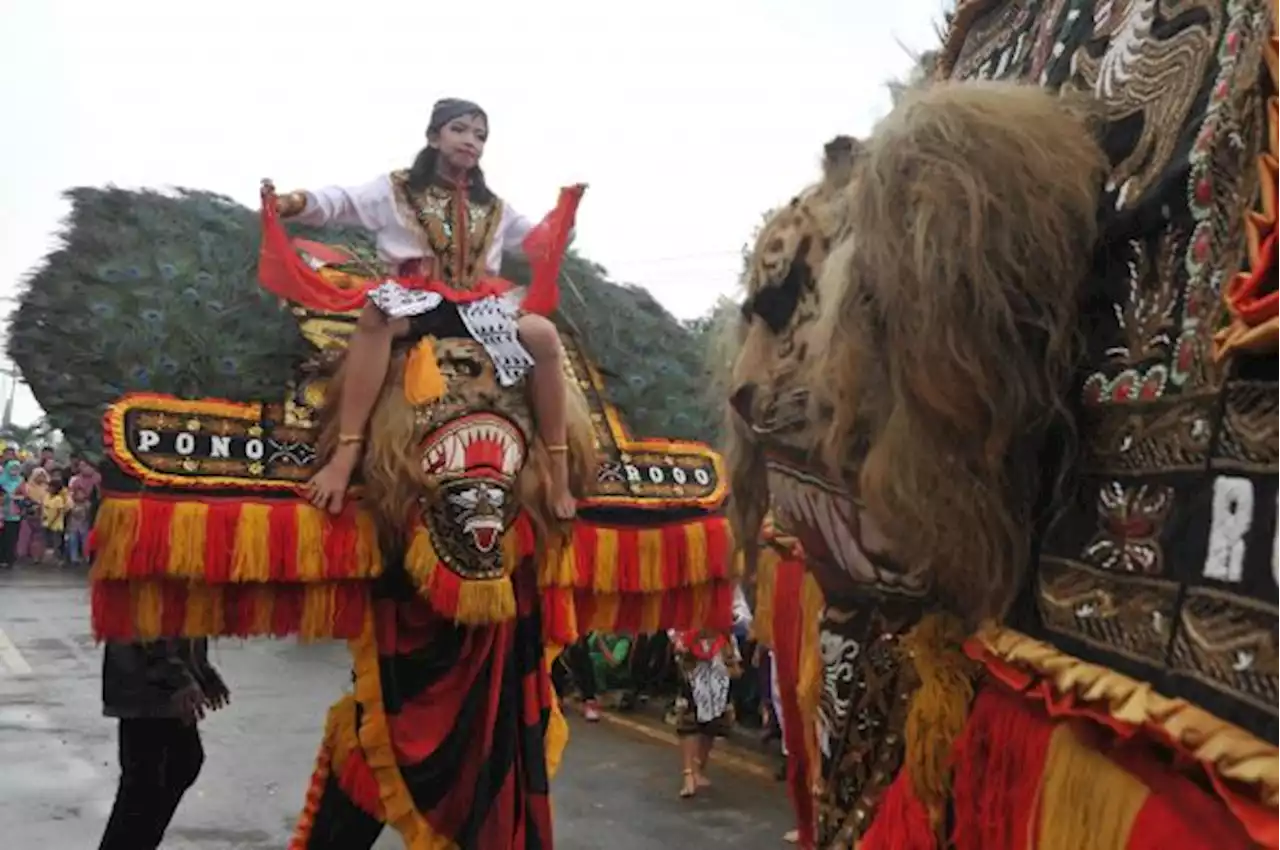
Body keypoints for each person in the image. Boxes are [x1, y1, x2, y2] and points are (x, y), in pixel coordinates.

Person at [270, 97, 582, 521]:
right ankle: (344, 456)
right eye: (460, 130)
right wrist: (293, 202)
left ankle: (558, 470)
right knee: (377, 315)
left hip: (477, 304)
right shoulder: (395, 190)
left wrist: (565, 218)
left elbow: (537, 244)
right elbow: (341, 201)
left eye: (480, 136)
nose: (470, 141)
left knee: (543, 335)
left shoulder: (495, 208)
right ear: (435, 136)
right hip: (417, 297)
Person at [97, 638, 230, 850]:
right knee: (147, 782)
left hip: (158, 681)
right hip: (144, 683)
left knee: (178, 765)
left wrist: (201, 671)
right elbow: (146, 631)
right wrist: (181, 678)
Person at [672, 627, 740, 799]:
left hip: (718, 651)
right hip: (691, 650)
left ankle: (698, 768)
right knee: (689, 716)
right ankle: (689, 773)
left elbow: (740, 616)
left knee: (715, 719)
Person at [16, 467, 49, 563]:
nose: (41, 478)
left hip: (42, 515)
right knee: (25, 534)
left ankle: (36, 556)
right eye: (39, 475)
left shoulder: (48, 488)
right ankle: (22, 554)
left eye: (43, 476)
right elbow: (18, 497)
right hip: (28, 514)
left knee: (39, 536)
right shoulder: (26, 487)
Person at [0, 460, 23, 568]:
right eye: (12, 468)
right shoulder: (1, 481)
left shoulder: (21, 481)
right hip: (2, 514)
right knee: (2, 537)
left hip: (15, 514)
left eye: (16, 469)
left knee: (12, 537)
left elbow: (25, 495)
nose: (14, 471)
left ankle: (10, 559)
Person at [42, 474, 69, 563]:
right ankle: (48, 559)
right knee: (47, 542)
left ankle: (58, 559)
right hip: (45, 522)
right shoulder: (46, 496)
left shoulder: (59, 499)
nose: (49, 488)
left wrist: (51, 522)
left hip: (56, 525)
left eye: (51, 487)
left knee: (56, 542)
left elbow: (58, 512)